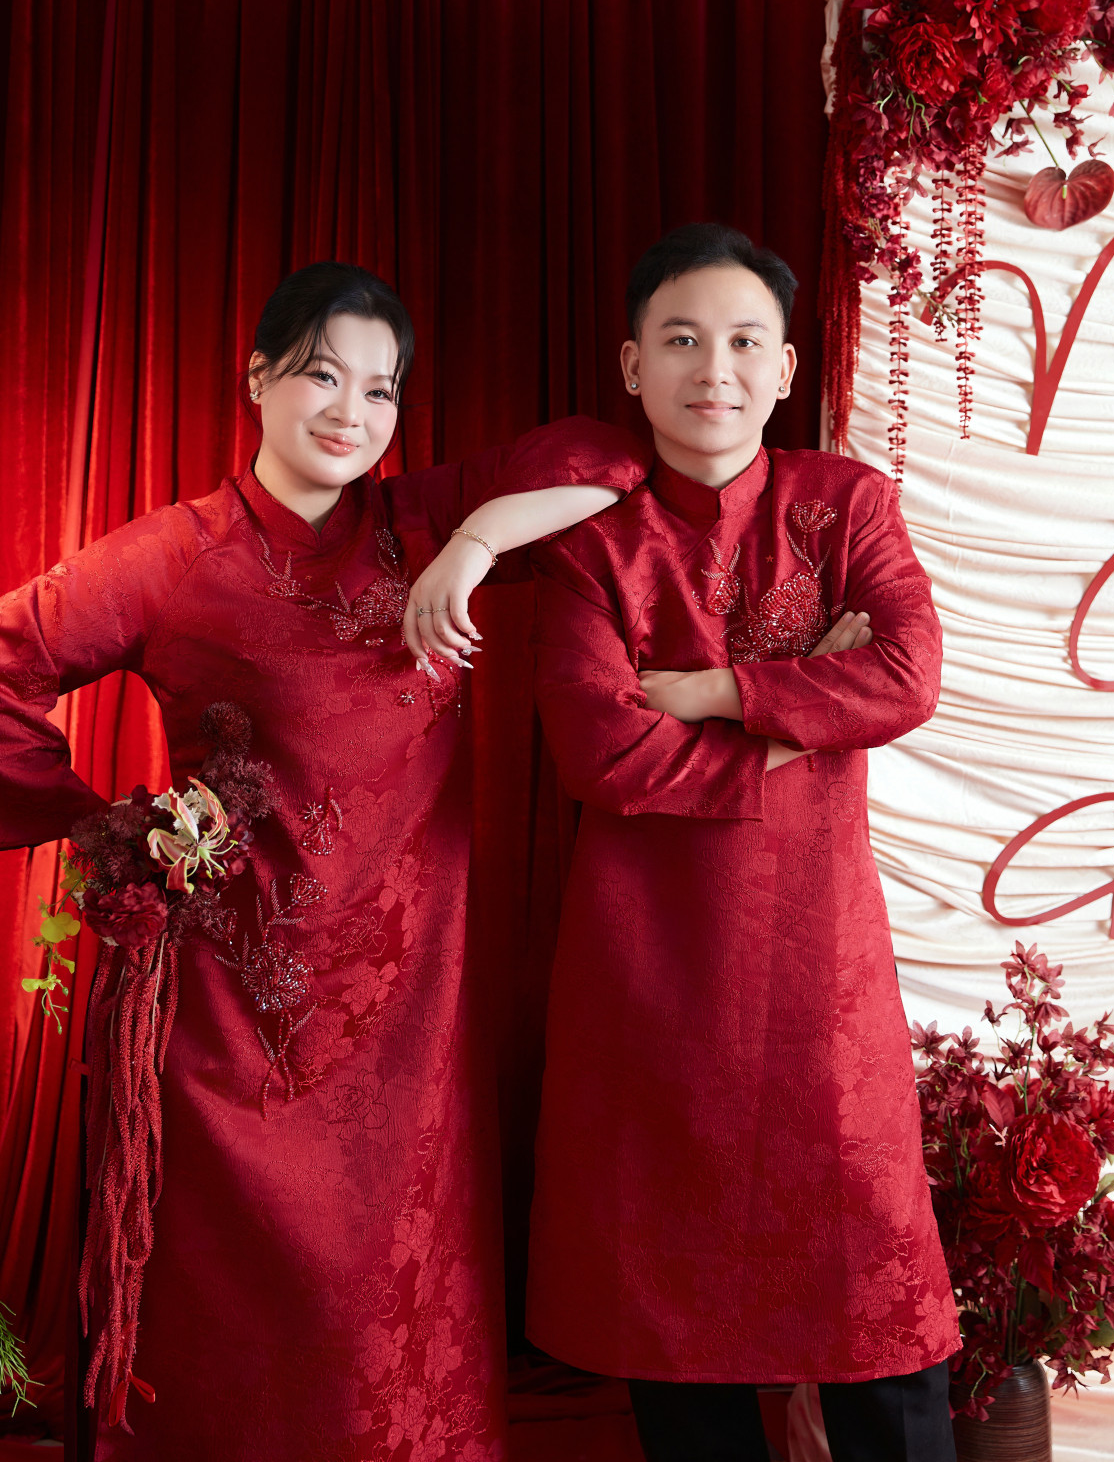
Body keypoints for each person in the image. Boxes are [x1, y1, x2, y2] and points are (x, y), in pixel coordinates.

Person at [0, 261, 647, 1462]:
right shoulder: (172, 556)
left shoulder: (418, 523)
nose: (351, 411)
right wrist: (106, 828)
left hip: (410, 1023)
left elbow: (607, 458)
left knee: (392, 1344)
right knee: (235, 1342)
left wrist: (476, 542)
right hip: (234, 1021)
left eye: (381, 388)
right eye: (320, 375)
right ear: (257, 377)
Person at [526, 224, 959, 1462]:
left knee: (878, 1311)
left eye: (741, 341)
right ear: (632, 363)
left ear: (783, 368)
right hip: (650, 977)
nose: (711, 368)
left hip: (822, 977)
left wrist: (717, 693)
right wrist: (806, 712)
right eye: (680, 339)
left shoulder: (845, 503)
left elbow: (908, 673)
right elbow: (601, 756)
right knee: (676, 1334)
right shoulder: (591, 543)